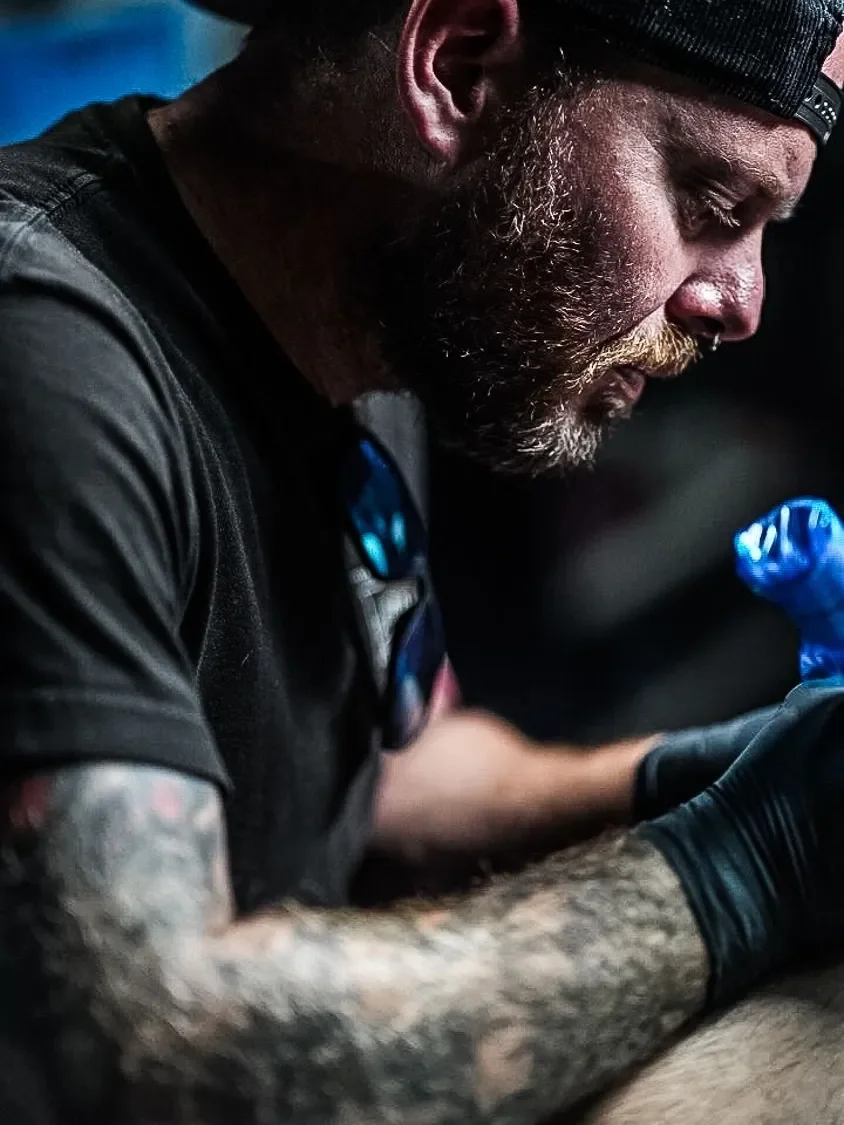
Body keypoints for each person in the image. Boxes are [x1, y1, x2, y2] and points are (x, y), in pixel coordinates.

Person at [1, 0, 844, 1121]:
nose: (742, 304)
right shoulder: (47, 357)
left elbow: (387, 783)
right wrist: (740, 867)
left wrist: (715, 776)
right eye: (710, 204)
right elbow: (153, 1047)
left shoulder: (371, 328)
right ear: (458, 66)